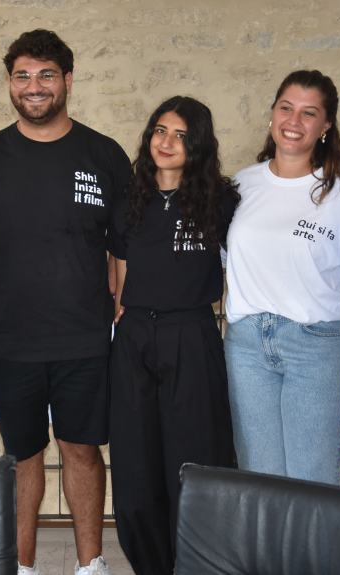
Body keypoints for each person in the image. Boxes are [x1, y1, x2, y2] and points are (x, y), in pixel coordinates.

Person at [0, 29, 131, 575]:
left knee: (81, 450)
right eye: (23, 76)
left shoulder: (104, 155)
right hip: (8, 340)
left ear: (68, 81)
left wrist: (119, 313)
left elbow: (123, 248)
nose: (34, 87)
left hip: (83, 339)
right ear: (10, 84)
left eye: (46, 75)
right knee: (22, 455)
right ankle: (23, 567)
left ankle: (91, 564)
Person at [108, 96, 239, 574]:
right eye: (160, 131)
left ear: (198, 144)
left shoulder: (221, 201)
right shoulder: (128, 200)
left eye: (181, 135)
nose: (167, 142)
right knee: (135, 469)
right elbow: (118, 273)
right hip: (135, 336)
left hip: (192, 334)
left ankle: (197, 565)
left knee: (194, 462)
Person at [224, 69, 340, 484]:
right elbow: (222, 259)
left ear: (325, 127)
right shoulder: (242, 185)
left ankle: (317, 554)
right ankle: (269, 553)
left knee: (313, 477)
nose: (293, 121)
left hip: (318, 347)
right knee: (260, 476)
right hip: (248, 346)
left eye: (309, 113)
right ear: (272, 114)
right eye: (286, 108)